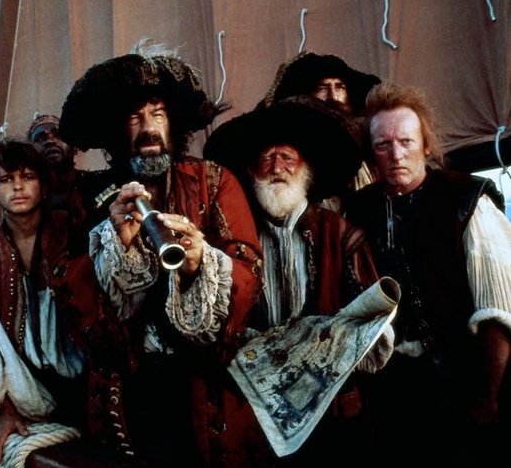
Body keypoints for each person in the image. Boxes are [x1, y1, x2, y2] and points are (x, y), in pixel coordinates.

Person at [58, 41, 263, 466]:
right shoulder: (93, 194)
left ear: (175, 123)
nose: (148, 128)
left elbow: (249, 270)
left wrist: (202, 263)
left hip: (205, 385)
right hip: (126, 387)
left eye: (158, 114)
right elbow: (70, 291)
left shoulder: (212, 181)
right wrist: (117, 247)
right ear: (119, 128)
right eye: (135, 118)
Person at [204, 95, 386, 464]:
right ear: (251, 171)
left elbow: (374, 320)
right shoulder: (234, 239)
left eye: (288, 158)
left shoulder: (340, 234)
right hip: (254, 412)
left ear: (307, 169)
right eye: (267, 160)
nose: (277, 168)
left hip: (330, 414)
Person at [345, 82, 511, 464]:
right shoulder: (357, 211)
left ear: (425, 145)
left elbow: (498, 312)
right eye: (383, 145)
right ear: (371, 154)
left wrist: (488, 396)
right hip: (391, 389)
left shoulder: (467, 199)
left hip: (465, 381)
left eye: (406, 141)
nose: (396, 155)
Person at [0, 137, 90, 465]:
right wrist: (4, 409)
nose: (17, 187)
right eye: (6, 180)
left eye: (27, 177)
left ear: (43, 186)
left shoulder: (73, 233)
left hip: (84, 380)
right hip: (26, 386)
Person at [258, 52, 382, 198]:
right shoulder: (293, 145)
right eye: (322, 88)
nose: (333, 97)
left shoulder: (370, 142)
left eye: (339, 87)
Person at [27, 114, 78, 211]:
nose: (50, 141)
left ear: (74, 147)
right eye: (40, 139)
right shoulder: (26, 199)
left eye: (59, 135)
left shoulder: (97, 185)